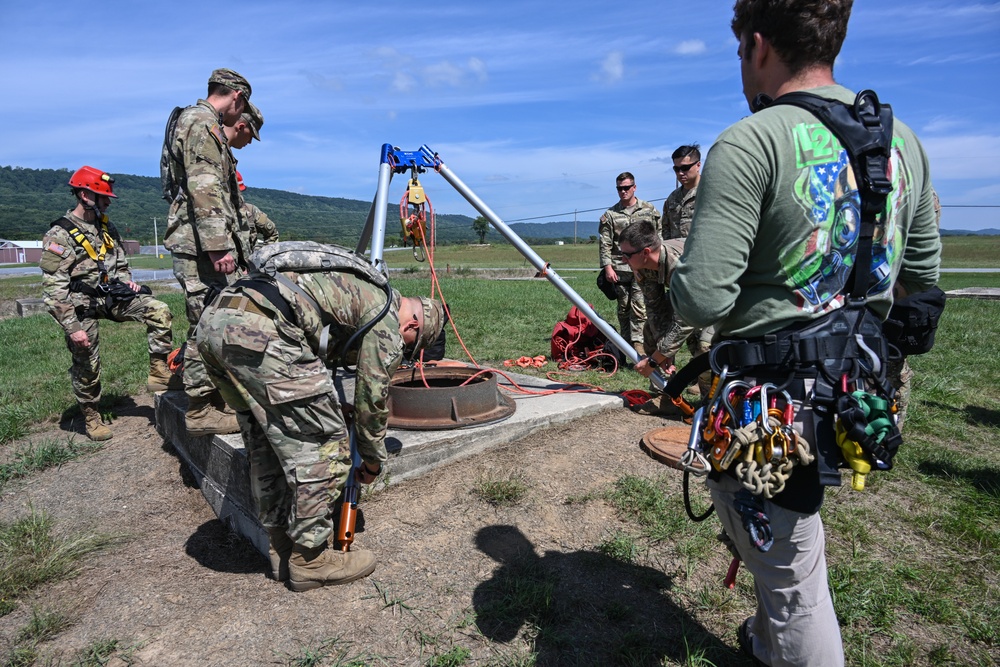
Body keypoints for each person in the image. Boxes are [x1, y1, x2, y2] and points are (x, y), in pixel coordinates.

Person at [669, 2, 941, 665]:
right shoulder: (900, 143)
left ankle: (784, 643)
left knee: (793, 576)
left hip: (769, 411)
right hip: (860, 396)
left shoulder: (753, 141)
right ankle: (766, 642)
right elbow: (923, 279)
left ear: (759, 46)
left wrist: (673, 265)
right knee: (787, 541)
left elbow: (704, 295)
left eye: (740, 53)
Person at [195, 241, 446, 591]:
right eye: (410, 344)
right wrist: (372, 461)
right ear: (415, 323)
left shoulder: (361, 288)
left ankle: (281, 547)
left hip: (216, 323)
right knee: (325, 446)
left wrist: (324, 405)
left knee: (266, 439)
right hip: (263, 329)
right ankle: (310, 559)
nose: (403, 349)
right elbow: (372, 400)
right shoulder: (387, 316)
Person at [40, 167, 180, 441]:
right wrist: (73, 328)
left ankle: (158, 370)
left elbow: (121, 266)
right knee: (87, 363)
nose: (108, 202)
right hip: (80, 304)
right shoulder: (60, 234)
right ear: (84, 195)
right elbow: (54, 290)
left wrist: (127, 283)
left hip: (111, 297)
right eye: (103, 197)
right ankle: (91, 415)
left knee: (159, 310)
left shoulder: (106, 227)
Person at [161, 68, 254, 436]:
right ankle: (200, 410)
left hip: (197, 243)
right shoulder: (203, 123)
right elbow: (204, 188)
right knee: (207, 325)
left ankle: (212, 398)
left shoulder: (195, 120)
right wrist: (219, 247)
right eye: (242, 106)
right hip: (201, 248)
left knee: (211, 320)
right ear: (236, 97)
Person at [618, 220, 713, 415]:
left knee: (706, 346)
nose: (622, 259)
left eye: (626, 255)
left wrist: (654, 360)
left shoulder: (681, 267)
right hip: (693, 299)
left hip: (724, 296)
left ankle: (710, 405)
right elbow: (655, 307)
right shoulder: (643, 265)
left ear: (645, 252)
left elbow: (685, 321)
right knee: (651, 331)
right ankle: (667, 394)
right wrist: (664, 352)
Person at [598, 172, 659, 357]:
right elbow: (605, 243)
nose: (623, 191)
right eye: (619, 188)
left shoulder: (649, 210)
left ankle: (639, 346)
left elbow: (659, 237)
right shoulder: (610, 215)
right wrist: (607, 267)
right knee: (623, 308)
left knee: (639, 308)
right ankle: (625, 346)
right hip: (620, 269)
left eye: (626, 187)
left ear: (634, 187)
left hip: (643, 268)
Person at [661, 144, 701, 240]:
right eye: (676, 169)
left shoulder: (709, 192)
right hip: (678, 253)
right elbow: (666, 231)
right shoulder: (672, 198)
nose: (680, 173)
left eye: (685, 168)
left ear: (698, 165)